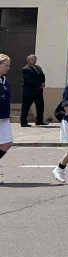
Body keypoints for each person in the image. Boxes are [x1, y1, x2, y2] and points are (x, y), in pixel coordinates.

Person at [19, 54, 47, 127]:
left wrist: (43, 82)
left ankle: (39, 120)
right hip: (29, 92)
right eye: (33, 59)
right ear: (28, 60)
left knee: (40, 106)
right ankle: (23, 122)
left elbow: (42, 76)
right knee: (26, 107)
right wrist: (39, 84)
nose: (34, 61)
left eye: (35, 59)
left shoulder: (38, 68)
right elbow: (28, 80)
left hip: (38, 92)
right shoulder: (25, 69)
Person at [0, 54, 12, 183]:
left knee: (8, 142)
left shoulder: (5, 81)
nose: (8, 68)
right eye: (5, 65)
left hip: (3, 117)